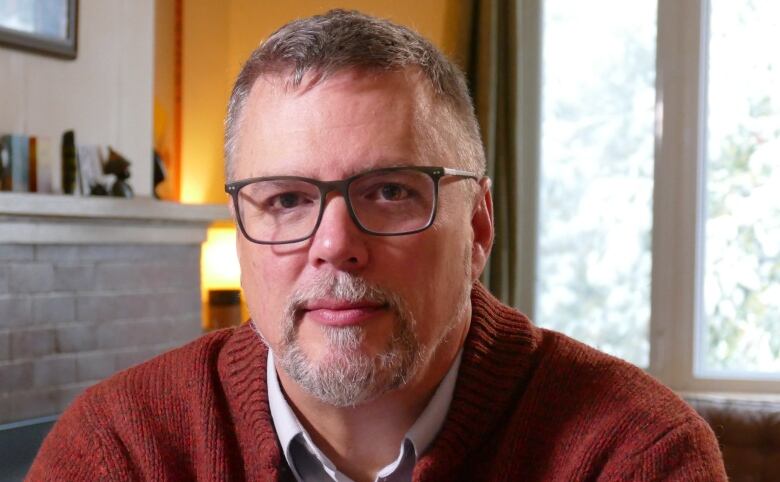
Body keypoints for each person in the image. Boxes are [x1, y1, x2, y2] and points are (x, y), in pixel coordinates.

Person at [28, 9, 727, 482]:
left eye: (390, 191)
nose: (334, 246)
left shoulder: (631, 453)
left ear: (479, 225)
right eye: (286, 199)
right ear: (243, 233)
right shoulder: (121, 448)